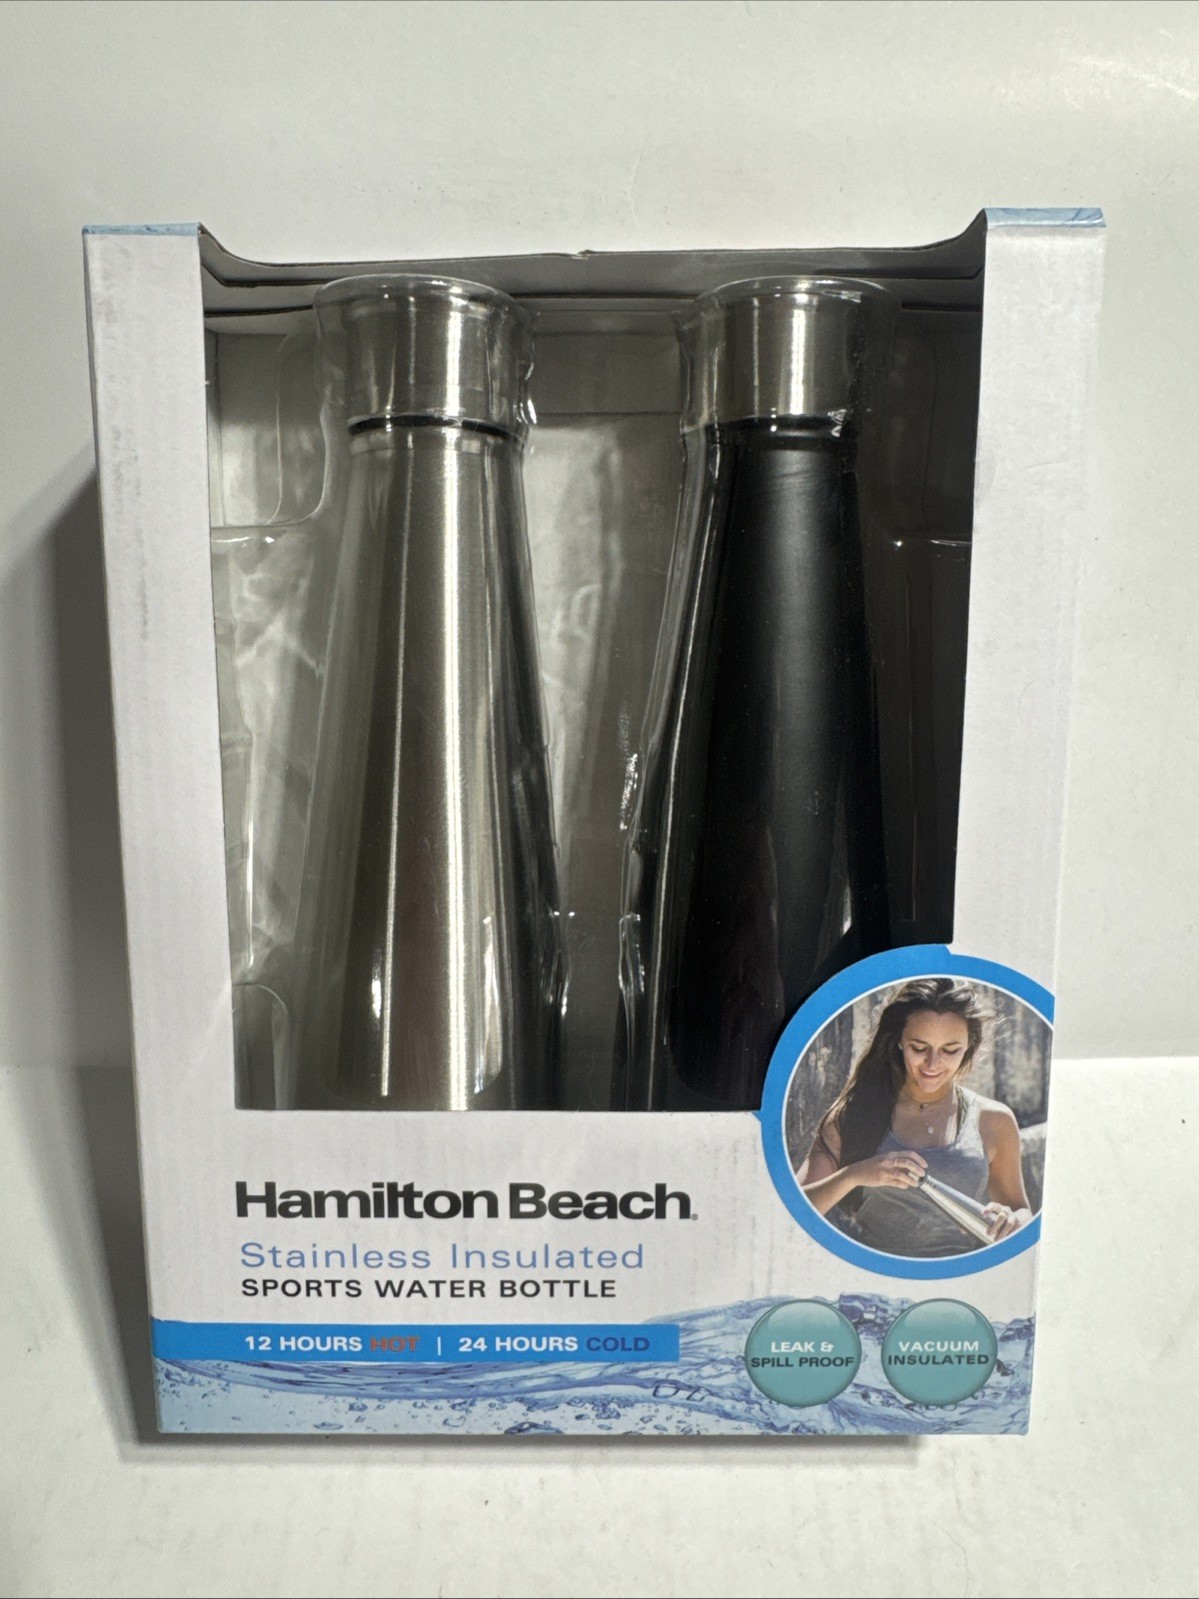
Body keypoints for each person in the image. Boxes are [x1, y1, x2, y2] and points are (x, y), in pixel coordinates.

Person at [795, 978, 1032, 1256]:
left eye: (950, 1050)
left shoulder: (994, 1120)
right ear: (899, 1041)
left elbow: (1022, 1212)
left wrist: (1012, 1220)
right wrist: (854, 1175)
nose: (932, 1064)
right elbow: (793, 1209)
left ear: (970, 1045)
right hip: (870, 1271)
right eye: (919, 1048)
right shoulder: (854, 1115)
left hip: (966, 1274)